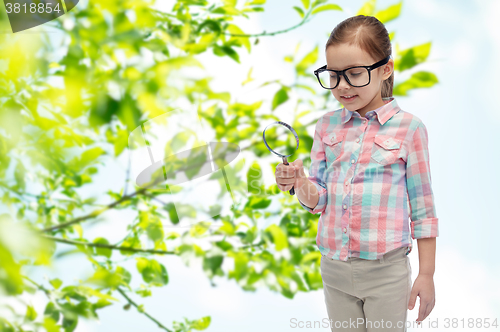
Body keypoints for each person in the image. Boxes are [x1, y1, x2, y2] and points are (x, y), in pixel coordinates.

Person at [274, 15, 439, 332]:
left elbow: (423, 208)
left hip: (386, 272)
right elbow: (318, 200)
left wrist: (426, 274)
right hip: (334, 269)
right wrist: (299, 183)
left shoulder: (410, 129)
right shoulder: (326, 126)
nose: (343, 86)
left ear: (385, 69)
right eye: (333, 76)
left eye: (354, 74)